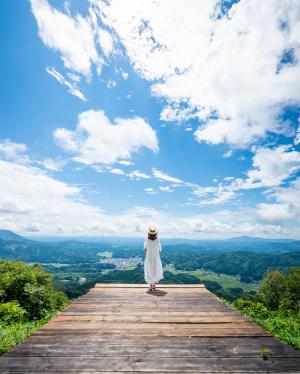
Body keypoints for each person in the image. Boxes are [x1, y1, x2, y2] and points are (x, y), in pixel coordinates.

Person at [144, 226, 164, 291]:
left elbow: (145, 248)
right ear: (155, 233)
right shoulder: (157, 240)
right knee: (155, 270)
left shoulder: (147, 240)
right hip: (156, 257)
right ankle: (154, 285)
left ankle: (150, 286)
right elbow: (160, 249)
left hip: (149, 257)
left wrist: (145, 256)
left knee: (149, 270)